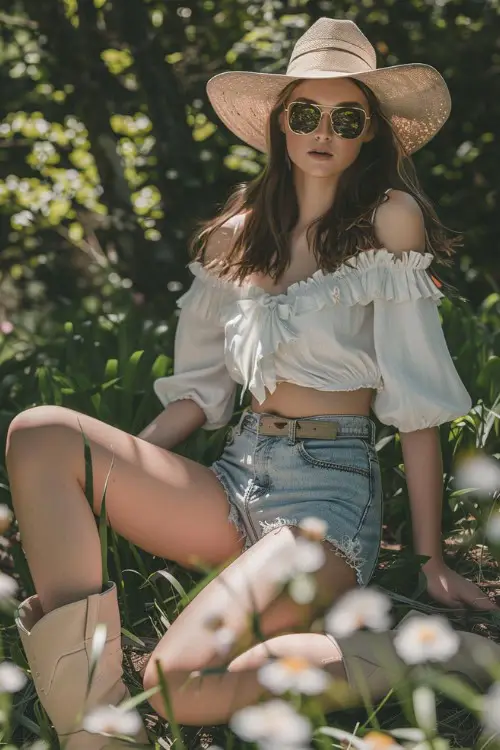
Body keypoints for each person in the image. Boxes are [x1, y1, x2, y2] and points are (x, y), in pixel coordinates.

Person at [6, 16, 498, 748]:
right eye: (306, 113)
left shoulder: (388, 222)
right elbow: (200, 395)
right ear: (280, 125)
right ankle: (96, 728)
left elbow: (415, 405)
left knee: (175, 688)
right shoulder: (232, 237)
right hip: (235, 481)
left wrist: (428, 560)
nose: (322, 130)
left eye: (346, 117)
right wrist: (95, 479)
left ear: (370, 134)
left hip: (326, 503)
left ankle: (427, 656)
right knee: (40, 434)